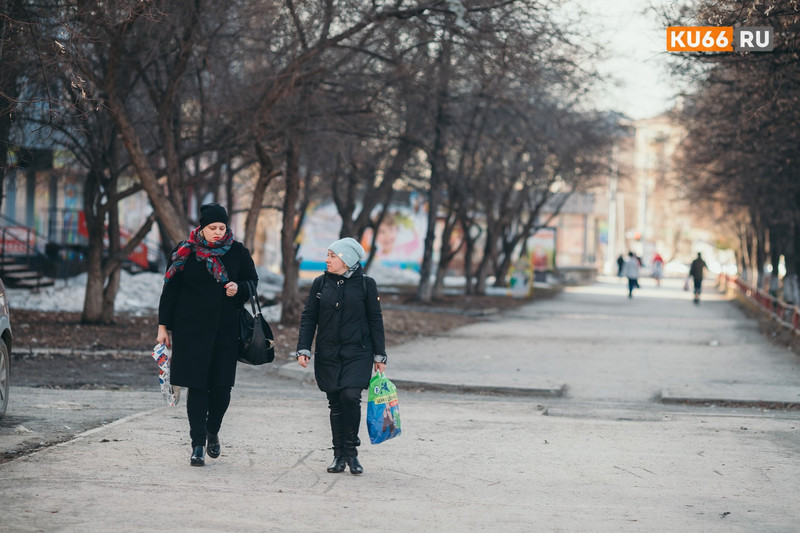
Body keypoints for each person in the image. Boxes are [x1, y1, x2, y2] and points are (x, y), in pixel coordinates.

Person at [157, 203, 258, 467]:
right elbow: (170, 290)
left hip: (226, 330)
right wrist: (162, 327)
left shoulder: (237, 251)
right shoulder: (185, 252)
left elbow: (252, 282)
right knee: (197, 387)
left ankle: (213, 429)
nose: (217, 232)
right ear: (202, 227)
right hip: (191, 330)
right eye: (212, 227)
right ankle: (197, 444)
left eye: (221, 227)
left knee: (222, 389)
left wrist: (240, 288)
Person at [295, 237, 387, 476]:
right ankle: (339, 455)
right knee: (335, 402)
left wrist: (380, 355)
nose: (327, 260)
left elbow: (375, 320)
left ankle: (352, 453)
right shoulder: (319, 283)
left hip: (358, 352)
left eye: (332, 256)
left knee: (350, 396)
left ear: (346, 260)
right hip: (328, 352)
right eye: (328, 255)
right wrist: (303, 348)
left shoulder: (367, 284)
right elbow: (309, 317)